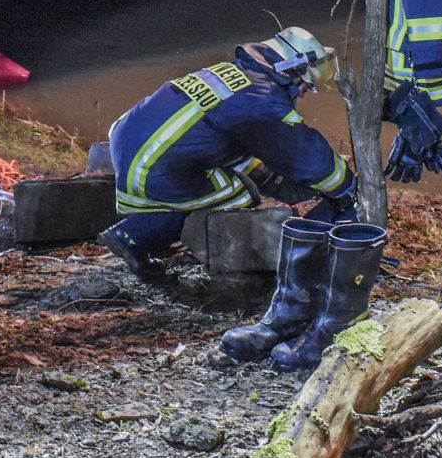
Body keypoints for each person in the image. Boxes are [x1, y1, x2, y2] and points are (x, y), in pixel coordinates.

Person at [99, 27, 357, 275]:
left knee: (226, 177)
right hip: (151, 168)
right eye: (306, 85)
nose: (304, 93)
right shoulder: (262, 99)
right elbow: (305, 156)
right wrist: (344, 186)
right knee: (241, 192)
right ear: (293, 70)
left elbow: (230, 141)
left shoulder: (238, 74)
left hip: (131, 145)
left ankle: (144, 232)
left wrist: (272, 176)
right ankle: (135, 235)